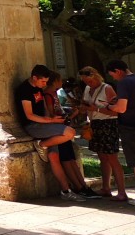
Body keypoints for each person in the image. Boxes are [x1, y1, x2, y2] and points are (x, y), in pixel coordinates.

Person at [15, 65, 85, 201]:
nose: (45, 84)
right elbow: (29, 115)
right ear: (34, 77)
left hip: (46, 124)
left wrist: (53, 120)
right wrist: (50, 120)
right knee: (70, 133)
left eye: (46, 82)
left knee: (53, 156)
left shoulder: (39, 88)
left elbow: (44, 108)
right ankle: (42, 144)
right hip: (33, 126)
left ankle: (65, 190)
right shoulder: (24, 90)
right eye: (42, 81)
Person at [43, 73, 98, 199]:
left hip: (63, 128)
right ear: (55, 81)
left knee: (71, 159)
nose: (62, 83)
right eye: (60, 80)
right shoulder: (48, 95)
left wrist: (70, 115)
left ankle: (83, 186)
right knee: (67, 160)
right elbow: (52, 114)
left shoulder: (54, 94)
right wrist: (67, 117)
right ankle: (78, 187)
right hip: (58, 131)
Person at [79, 66, 127, 201]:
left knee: (112, 158)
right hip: (95, 124)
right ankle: (106, 188)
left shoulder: (107, 88)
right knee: (102, 157)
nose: (89, 84)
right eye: (86, 82)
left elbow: (116, 111)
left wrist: (97, 109)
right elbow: (87, 105)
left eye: (90, 81)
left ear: (96, 76)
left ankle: (122, 192)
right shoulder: (87, 89)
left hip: (108, 124)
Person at [104, 60, 135, 206]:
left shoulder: (124, 83)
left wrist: (110, 106)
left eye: (112, 74)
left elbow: (121, 108)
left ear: (118, 71)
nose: (113, 78)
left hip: (131, 128)